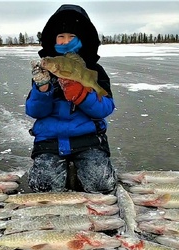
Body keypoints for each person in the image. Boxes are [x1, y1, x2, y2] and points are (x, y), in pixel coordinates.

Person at [25, 4, 117, 194]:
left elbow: (105, 108)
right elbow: (35, 111)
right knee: (44, 187)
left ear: (82, 39)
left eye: (71, 36)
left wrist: (83, 96)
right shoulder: (46, 71)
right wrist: (43, 89)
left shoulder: (94, 70)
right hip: (50, 139)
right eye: (61, 36)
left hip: (88, 138)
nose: (66, 41)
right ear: (53, 39)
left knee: (101, 185)